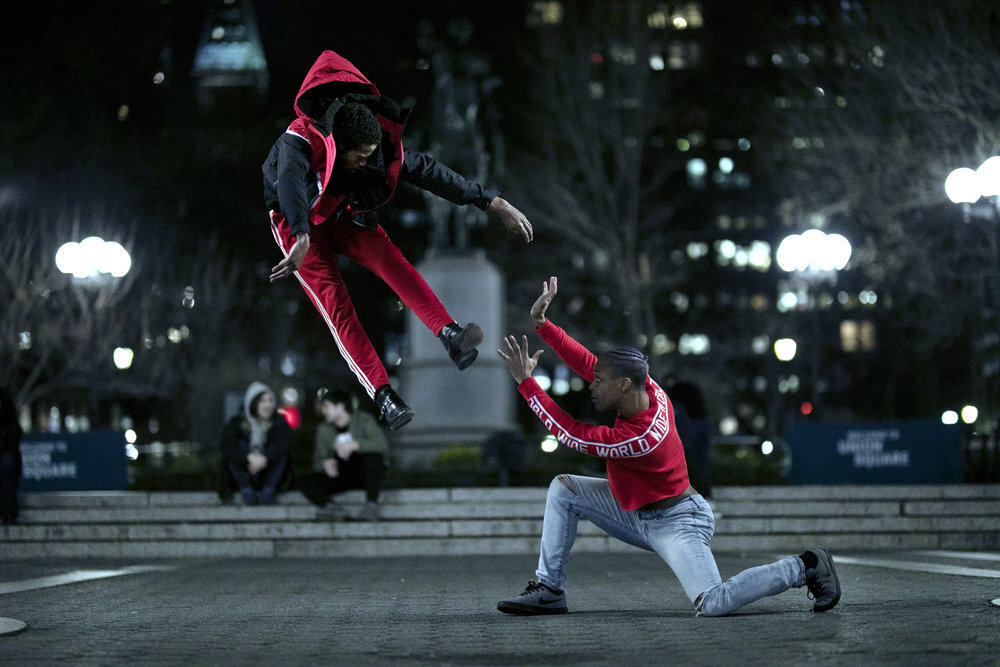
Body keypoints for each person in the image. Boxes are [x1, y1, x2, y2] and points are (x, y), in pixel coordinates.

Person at [494, 277, 841, 616]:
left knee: (713, 601)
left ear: (625, 385)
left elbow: (569, 433)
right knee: (564, 489)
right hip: (637, 512)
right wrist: (544, 325)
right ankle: (549, 589)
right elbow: (589, 362)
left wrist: (526, 383)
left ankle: (806, 566)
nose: (591, 385)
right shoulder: (649, 389)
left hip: (679, 521)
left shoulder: (640, 438)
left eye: (600, 382)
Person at [263, 50, 534, 431]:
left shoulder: (375, 147)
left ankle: (450, 333)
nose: (364, 163)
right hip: (297, 225)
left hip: (344, 212)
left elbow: (429, 171)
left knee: (392, 261)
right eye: (358, 157)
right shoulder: (300, 140)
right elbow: (290, 181)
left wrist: (490, 201)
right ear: (339, 147)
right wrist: (302, 233)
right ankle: (384, 395)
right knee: (337, 306)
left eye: (369, 157)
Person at [297, 388, 388, 521]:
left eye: (327, 406)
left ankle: (371, 505)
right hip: (341, 474)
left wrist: (354, 445)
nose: (324, 411)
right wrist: (325, 464)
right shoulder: (323, 429)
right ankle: (331, 508)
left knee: (374, 458)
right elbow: (318, 459)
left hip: (364, 473)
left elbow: (381, 445)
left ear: (340, 406)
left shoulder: (362, 419)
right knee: (304, 479)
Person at [220, 381, 292, 506]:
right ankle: (246, 489)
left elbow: (284, 443)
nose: (268, 405)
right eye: (263, 401)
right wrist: (249, 458)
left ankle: (268, 490)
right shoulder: (236, 422)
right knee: (238, 447)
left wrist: (264, 458)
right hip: (246, 472)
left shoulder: (279, 421)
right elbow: (226, 446)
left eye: (270, 401)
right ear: (252, 402)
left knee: (281, 454)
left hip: (268, 473)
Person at [0, 387, 23, 525]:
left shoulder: (11, 424)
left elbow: (12, 444)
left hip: (6, 460)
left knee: (7, 463)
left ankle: (8, 512)